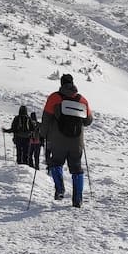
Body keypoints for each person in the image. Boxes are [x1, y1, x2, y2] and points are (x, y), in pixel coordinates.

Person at [41, 74, 92, 207]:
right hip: (77, 141)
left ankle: (60, 189)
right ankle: (77, 200)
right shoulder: (82, 99)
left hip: (58, 140)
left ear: (61, 83)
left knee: (55, 163)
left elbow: (46, 119)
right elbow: (88, 121)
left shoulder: (54, 97)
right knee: (77, 169)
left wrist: (43, 134)